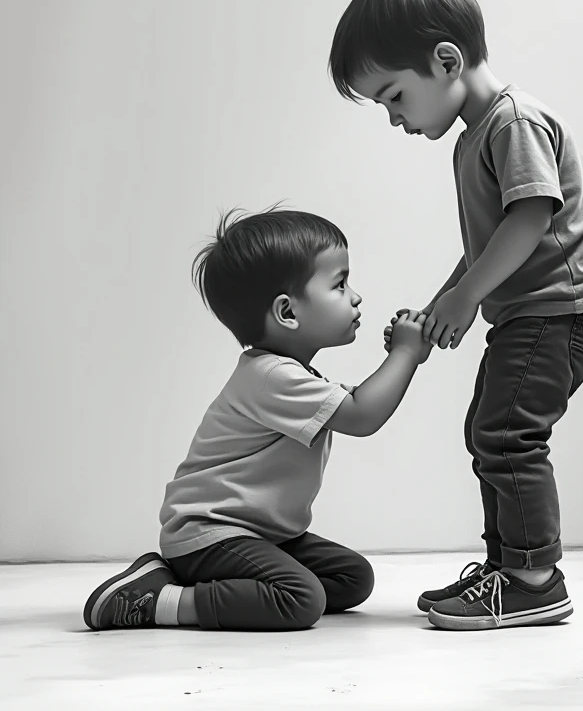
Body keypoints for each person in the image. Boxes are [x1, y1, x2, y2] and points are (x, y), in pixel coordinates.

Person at [329, 0, 583, 630]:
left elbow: (531, 219)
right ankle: (510, 569)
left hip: (565, 304)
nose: (393, 117)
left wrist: (467, 300)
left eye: (394, 96)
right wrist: (445, 303)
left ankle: (532, 578)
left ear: (445, 60)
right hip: (538, 306)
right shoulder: (475, 139)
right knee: (489, 428)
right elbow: (486, 246)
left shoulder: (512, 123)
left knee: (508, 432)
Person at [83, 208, 431, 631]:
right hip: (212, 531)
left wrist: (400, 358)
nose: (355, 296)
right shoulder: (272, 376)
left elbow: (356, 402)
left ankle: (175, 578)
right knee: (301, 599)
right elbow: (361, 416)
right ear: (287, 312)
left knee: (352, 578)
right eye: (339, 285)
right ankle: (159, 600)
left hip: (260, 534)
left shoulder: (288, 374)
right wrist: (406, 355)